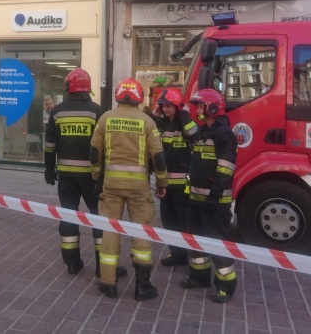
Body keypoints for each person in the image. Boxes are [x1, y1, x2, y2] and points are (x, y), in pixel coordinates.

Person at [90, 77, 168, 301]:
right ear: (138, 97)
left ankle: (108, 283)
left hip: (112, 185)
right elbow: (159, 157)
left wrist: (96, 176)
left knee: (110, 231)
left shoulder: (106, 118)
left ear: (118, 95)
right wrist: (162, 183)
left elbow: (94, 152)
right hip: (138, 187)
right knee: (141, 232)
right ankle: (142, 287)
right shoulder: (147, 122)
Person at [43, 69, 111, 276]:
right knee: (98, 217)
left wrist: (48, 169)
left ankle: (72, 262)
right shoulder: (96, 111)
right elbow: (104, 147)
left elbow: (49, 145)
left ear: (68, 88)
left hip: (66, 176)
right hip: (92, 177)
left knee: (68, 214)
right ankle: (102, 265)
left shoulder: (57, 112)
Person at [180, 88, 239, 304]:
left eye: (201, 106)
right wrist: (184, 113)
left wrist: (215, 195)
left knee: (217, 243)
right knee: (195, 240)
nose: (199, 110)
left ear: (213, 108)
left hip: (215, 202)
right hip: (197, 198)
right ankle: (199, 276)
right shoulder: (205, 131)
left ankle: (225, 285)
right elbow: (192, 134)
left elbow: (226, 167)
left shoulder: (224, 134)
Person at [153, 88, 198, 268]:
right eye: (163, 106)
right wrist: (155, 116)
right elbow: (147, 134)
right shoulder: (161, 123)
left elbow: (195, 135)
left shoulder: (185, 123)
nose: (165, 109)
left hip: (184, 183)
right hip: (165, 182)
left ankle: (190, 254)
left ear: (177, 106)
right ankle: (176, 253)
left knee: (184, 220)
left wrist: (185, 115)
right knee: (168, 219)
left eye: (169, 106)